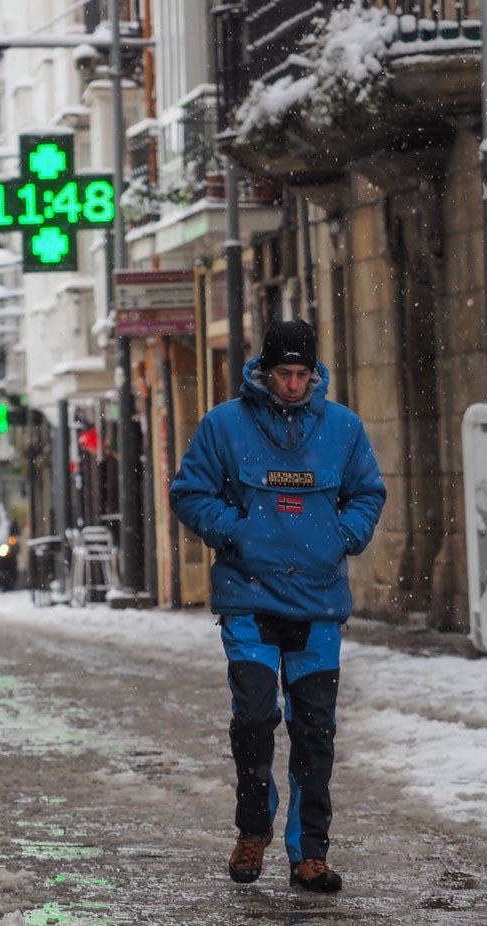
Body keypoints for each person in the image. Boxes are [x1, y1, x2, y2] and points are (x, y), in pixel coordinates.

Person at [169, 318, 385, 894]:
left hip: (317, 605)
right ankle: (252, 832)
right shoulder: (224, 426)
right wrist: (235, 532)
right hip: (250, 601)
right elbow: (189, 493)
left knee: (316, 732)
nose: (293, 385)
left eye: (303, 374)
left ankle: (309, 854)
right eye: (284, 373)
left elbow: (367, 492)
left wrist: (343, 535)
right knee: (255, 722)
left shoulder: (342, 428)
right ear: (263, 372)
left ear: (315, 374)